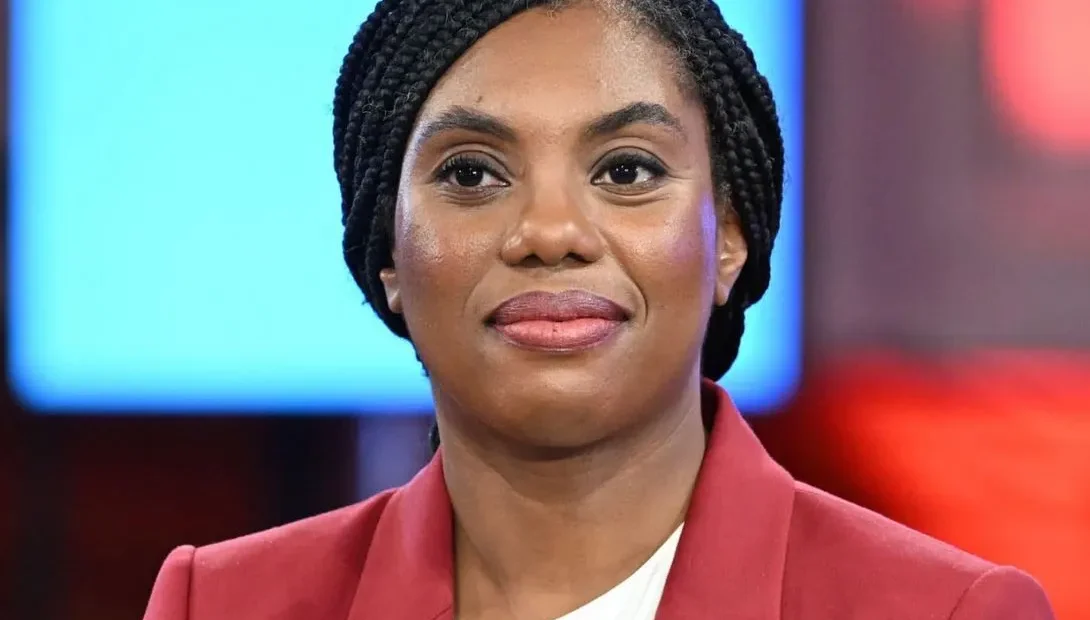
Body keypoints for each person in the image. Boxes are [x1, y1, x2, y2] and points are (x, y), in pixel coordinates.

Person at [144, 1, 1056, 618]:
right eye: (471, 174)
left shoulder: (944, 613)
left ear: (729, 237)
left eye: (627, 171)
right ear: (386, 253)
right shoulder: (221, 603)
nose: (549, 231)